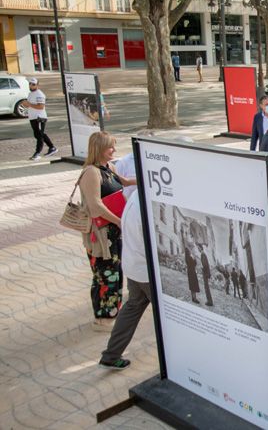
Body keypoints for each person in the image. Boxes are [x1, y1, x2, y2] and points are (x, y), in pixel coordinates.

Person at [77, 131, 136, 331]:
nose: (114, 150)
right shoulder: (91, 173)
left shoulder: (109, 167)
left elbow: (125, 182)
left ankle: (113, 312)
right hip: (102, 233)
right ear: (99, 148)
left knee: (116, 271)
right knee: (105, 274)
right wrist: (119, 221)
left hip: (114, 231)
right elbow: (95, 205)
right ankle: (103, 318)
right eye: (110, 146)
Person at [98, 190, 149, 370]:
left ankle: (111, 355)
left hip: (133, 265)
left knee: (133, 306)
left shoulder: (136, 196)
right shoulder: (146, 204)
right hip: (146, 272)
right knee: (171, 317)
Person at [22, 78, 57, 160]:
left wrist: (29, 104)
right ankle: (52, 148)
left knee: (39, 135)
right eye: (30, 84)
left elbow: (41, 106)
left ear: (37, 85)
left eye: (33, 84)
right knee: (38, 134)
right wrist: (25, 104)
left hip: (39, 117)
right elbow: (29, 105)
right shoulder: (30, 94)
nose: (31, 85)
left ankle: (37, 153)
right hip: (33, 117)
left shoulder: (39, 94)